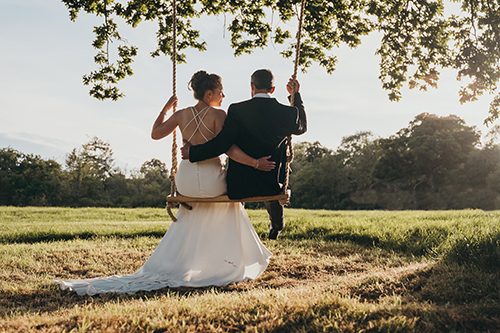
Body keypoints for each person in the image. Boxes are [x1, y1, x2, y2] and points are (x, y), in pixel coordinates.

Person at [55, 71, 273, 295]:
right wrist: (255, 163)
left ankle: (197, 260)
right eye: (220, 92)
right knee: (232, 202)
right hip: (210, 178)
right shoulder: (219, 115)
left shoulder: (180, 115)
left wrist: (165, 109)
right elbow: (229, 149)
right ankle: (225, 262)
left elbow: (155, 133)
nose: (223, 95)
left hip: (185, 180)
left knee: (197, 207)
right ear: (209, 94)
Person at [182, 69, 307, 240]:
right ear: (272, 89)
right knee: (274, 185)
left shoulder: (236, 110)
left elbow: (221, 144)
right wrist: (296, 96)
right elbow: (302, 127)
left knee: (231, 181)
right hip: (271, 184)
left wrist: (193, 152)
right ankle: (276, 225)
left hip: (239, 186)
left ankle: (236, 233)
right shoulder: (287, 112)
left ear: (252, 86)